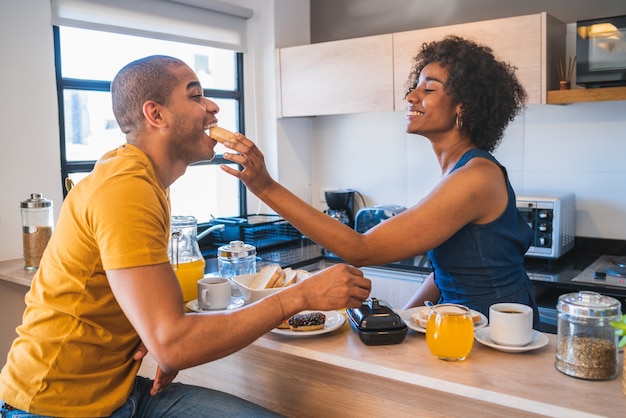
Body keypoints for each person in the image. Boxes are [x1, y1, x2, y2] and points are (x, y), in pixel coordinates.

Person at [0, 55, 371, 417]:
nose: (212, 107)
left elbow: (151, 319)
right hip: (52, 407)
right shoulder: (127, 188)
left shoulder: (144, 180)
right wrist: (300, 295)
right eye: (195, 96)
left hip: (119, 394)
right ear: (155, 114)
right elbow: (174, 345)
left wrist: (158, 335)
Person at [219, 35, 540, 327]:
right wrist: (403, 317)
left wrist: (265, 187)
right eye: (416, 85)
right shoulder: (460, 170)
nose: (411, 96)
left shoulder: (475, 177)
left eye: (428, 88)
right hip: (460, 323)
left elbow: (362, 249)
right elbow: (447, 272)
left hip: (495, 330)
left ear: (463, 107)